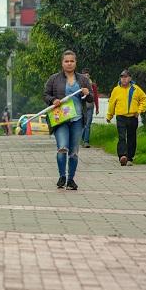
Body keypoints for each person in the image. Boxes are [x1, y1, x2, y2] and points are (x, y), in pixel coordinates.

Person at [43, 50, 93, 190]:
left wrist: (87, 93)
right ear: (62, 63)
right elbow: (45, 95)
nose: (69, 63)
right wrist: (53, 100)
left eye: (72, 61)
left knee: (74, 152)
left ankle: (71, 179)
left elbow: (90, 98)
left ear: (75, 63)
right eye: (66, 61)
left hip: (77, 119)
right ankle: (62, 176)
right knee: (62, 148)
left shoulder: (83, 79)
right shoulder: (54, 79)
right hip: (61, 119)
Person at [106, 69, 146, 166]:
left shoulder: (136, 89)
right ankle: (122, 156)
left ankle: (130, 158)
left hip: (133, 117)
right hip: (120, 117)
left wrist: (139, 110)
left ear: (130, 78)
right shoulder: (116, 90)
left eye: (125, 77)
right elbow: (112, 103)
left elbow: (144, 99)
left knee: (131, 137)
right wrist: (109, 115)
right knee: (121, 137)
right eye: (122, 77)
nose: (123, 79)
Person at [80, 68, 99, 147]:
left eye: (87, 75)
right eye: (85, 75)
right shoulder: (79, 84)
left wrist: (97, 108)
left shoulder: (93, 85)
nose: (86, 77)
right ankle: (81, 139)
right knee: (82, 124)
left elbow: (96, 97)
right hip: (82, 107)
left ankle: (86, 141)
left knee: (88, 124)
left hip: (90, 106)